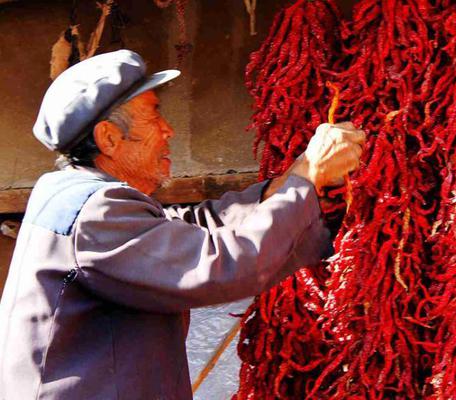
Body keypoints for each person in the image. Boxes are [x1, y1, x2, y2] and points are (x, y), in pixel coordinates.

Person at [0, 50, 365, 399]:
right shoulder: (94, 213)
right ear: (108, 138)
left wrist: (282, 186)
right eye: (154, 117)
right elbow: (219, 266)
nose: (168, 130)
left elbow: (181, 230)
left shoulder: (72, 193)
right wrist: (305, 180)